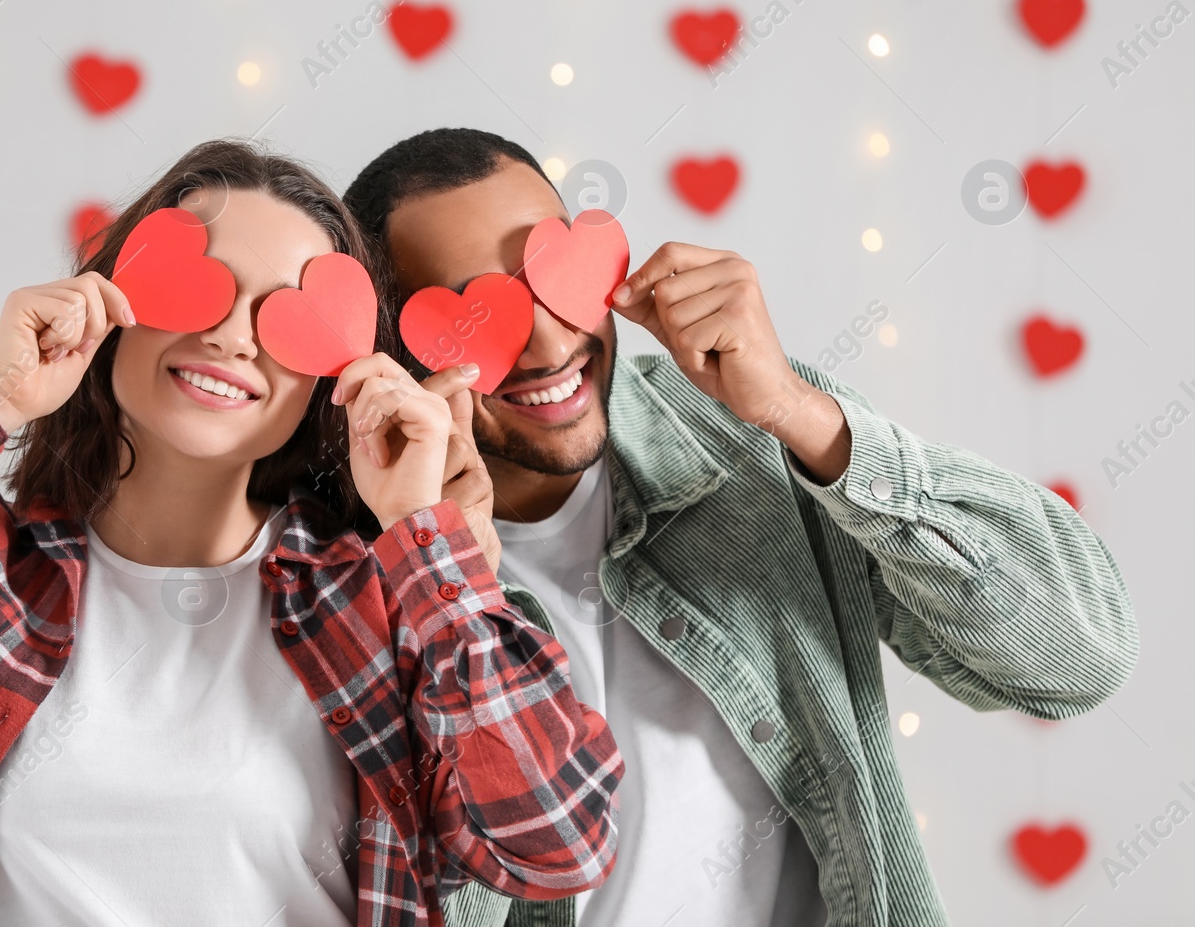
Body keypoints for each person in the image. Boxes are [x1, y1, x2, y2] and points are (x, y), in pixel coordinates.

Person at [0, 139, 623, 927]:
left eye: (291, 315)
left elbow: (551, 844)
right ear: (111, 304)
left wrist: (423, 536)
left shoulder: (384, 600)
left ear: (334, 375)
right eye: (197, 284)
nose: (235, 334)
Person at [342, 128, 1138, 927]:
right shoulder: (338, 575)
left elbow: (1078, 657)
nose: (552, 345)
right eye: (480, 316)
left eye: (557, 283)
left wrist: (799, 413)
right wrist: (449, 576)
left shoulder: (753, 435)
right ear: (388, 348)